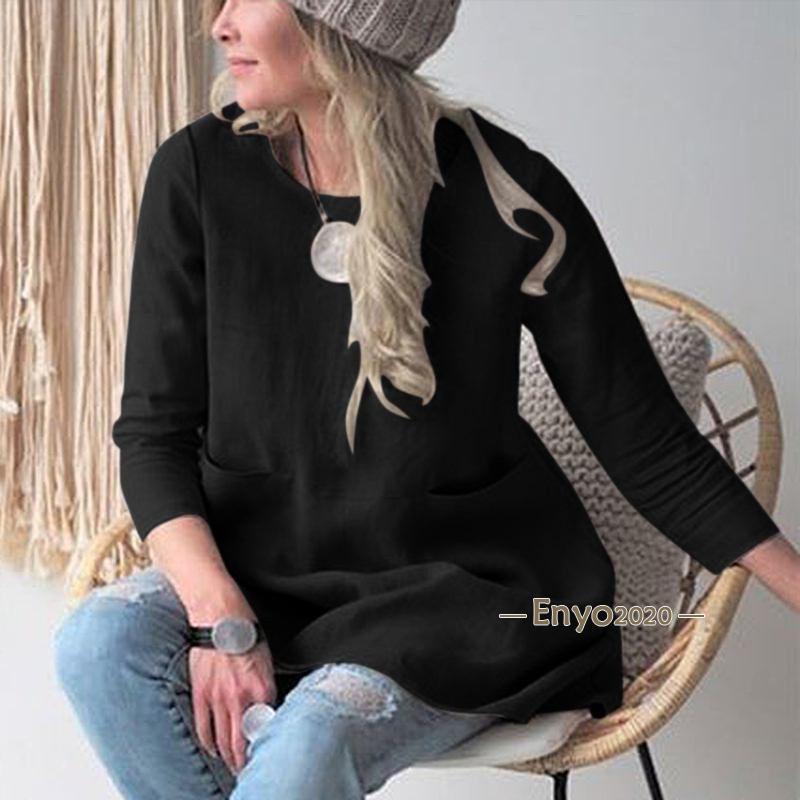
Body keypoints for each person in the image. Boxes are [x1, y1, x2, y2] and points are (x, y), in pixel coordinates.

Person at [53, 1, 800, 798]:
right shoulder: (199, 170)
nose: (220, 24)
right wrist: (221, 619)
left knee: (312, 739)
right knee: (99, 646)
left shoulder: (507, 189)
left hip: (473, 598)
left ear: (347, 31)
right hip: (265, 572)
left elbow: (648, 442)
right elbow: (155, 434)